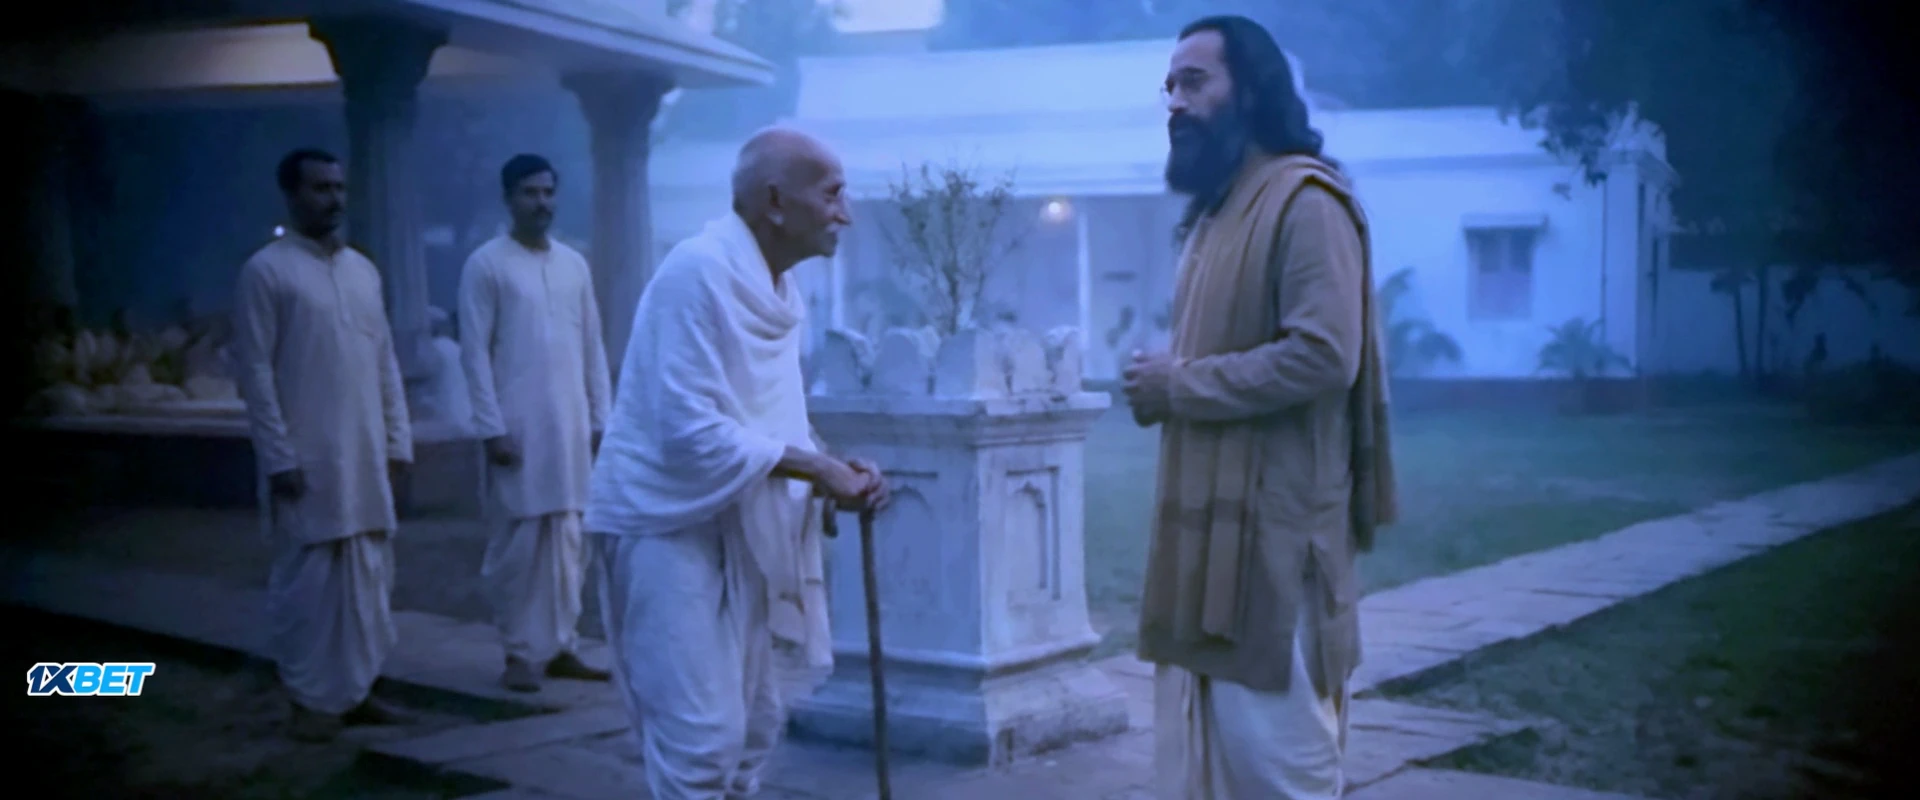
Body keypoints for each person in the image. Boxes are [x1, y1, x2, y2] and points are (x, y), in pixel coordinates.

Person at [1120, 16, 1399, 800]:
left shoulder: (1306, 201)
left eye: (1194, 81)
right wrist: (1170, 379)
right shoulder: (1217, 213)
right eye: (1170, 87)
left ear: (1251, 89)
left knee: (1282, 771)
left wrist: (1178, 386)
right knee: (1213, 764)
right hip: (1208, 537)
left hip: (1277, 543)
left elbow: (1324, 354)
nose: (1176, 101)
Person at [585, 126, 888, 799]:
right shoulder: (696, 272)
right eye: (832, 194)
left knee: (753, 727)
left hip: (740, 520)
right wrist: (814, 470)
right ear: (775, 202)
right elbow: (687, 431)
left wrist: (833, 466)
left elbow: (771, 420)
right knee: (700, 740)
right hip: (666, 524)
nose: (845, 213)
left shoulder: (780, 292)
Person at [232, 148, 416, 741]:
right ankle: (310, 699)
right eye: (319, 188)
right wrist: (278, 456)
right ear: (292, 194)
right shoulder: (267, 272)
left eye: (338, 187)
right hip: (307, 457)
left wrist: (398, 443)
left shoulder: (363, 271)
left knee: (368, 577)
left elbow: (384, 362)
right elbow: (255, 374)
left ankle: (359, 691)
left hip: (365, 455)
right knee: (308, 582)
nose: (333, 198)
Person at [457, 153, 614, 692]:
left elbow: (592, 346)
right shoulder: (486, 265)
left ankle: (562, 645)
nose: (541, 203)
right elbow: (474, 353)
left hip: (570, 427)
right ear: (509, 199)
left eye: (548, 193)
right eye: (530, 193)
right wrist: (491, 427)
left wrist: (601, 419)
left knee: (569, 538)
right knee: (519, 543)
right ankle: (520, 653)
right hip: (517, 427)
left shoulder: (574, 265)